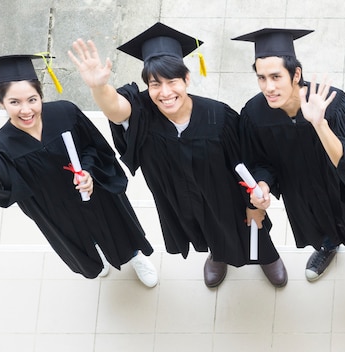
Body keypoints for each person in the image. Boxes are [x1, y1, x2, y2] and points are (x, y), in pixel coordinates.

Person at [68, 22, 287, 288]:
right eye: (155, 84)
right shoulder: (142, 111)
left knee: (248, 227)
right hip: (178, 198)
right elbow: (116, 109)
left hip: (226, 198)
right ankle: (218, 256)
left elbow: (248, 163)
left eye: (172, 81)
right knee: (203, 230)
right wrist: (99, 88)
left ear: (186, 79)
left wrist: (254, 205)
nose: (165, 93)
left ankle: (268, 256)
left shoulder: (219, 117)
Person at [0, 54, 158, 287]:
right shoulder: (2, 146)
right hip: (54, 209)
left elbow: (95, 147)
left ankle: (135, 256)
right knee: (80, 241)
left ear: (40, 95)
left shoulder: (65, 113)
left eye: (32, 100)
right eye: (14, 102)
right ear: (1, 101)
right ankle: (100, 257)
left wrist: (89, 172)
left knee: (118, 225)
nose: (26, 110)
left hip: (96, 194)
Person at [232, 28, 345, 283]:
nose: (268, 87)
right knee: (316, 222)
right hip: (300, 190)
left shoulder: (333, 103)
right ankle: (328, 245)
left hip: (341, 185)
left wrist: (319, 122)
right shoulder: (253, 114)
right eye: (261, 78)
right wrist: (263, 183)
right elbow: (260, 162)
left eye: (275, 77)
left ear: (296, 74)